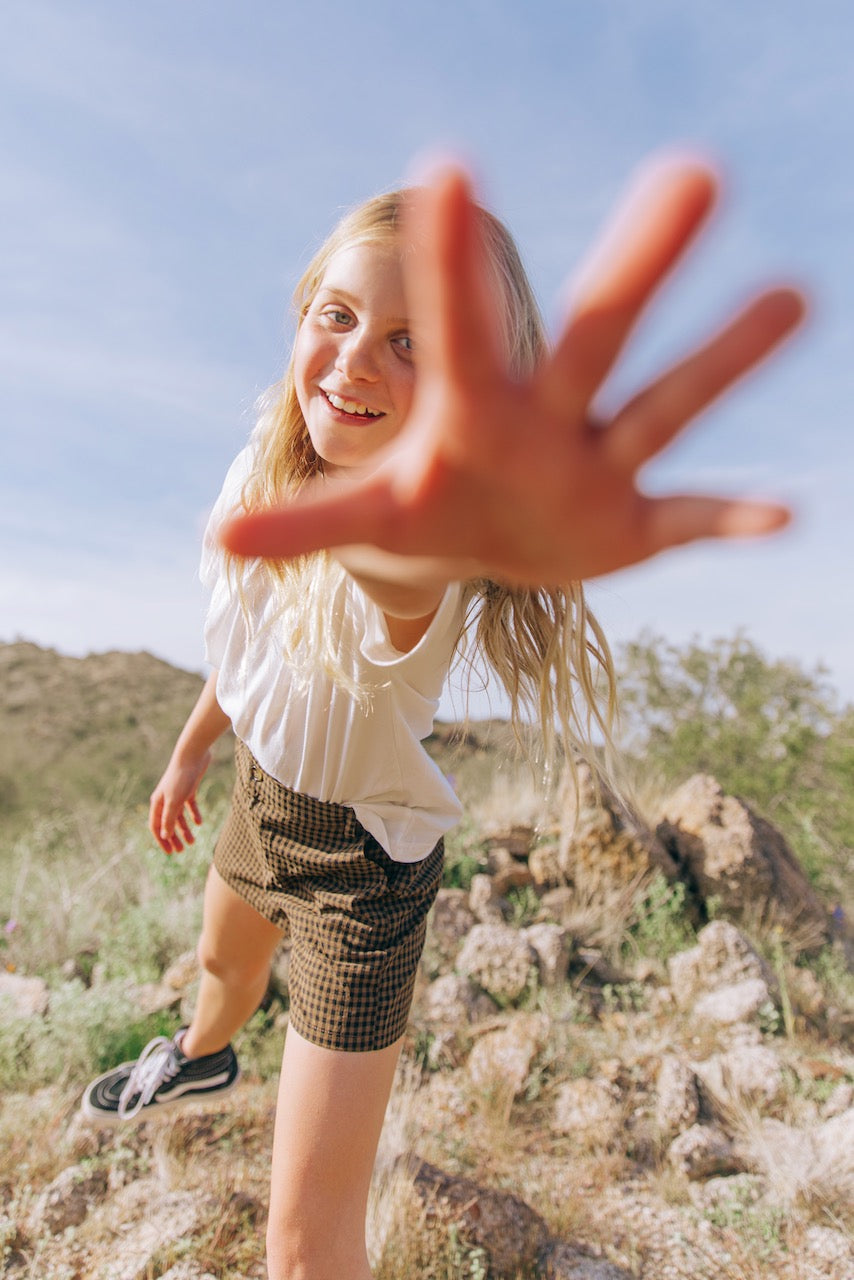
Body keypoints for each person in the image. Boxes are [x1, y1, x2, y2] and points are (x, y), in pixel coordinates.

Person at [81, 157, 803, 1280]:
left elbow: (394, 567)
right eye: (339, 314)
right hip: (261, 795)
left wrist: (456, 516)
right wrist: (188, 755)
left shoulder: (416, 557)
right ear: (301, 314)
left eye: (411, 343)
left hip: (362, 870)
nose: (358, 356)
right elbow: (245, 649)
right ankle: (199, 1056)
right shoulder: (256, 468)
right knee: (219, 975)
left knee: (305, 1243)